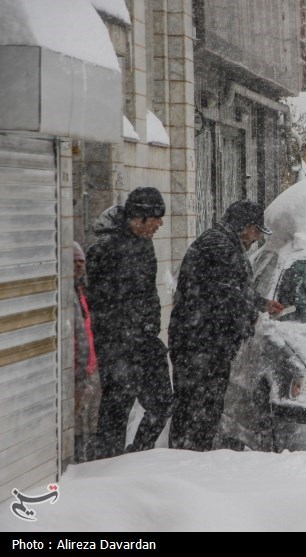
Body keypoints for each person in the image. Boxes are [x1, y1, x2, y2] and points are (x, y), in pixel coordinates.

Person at [168, 200, 284, 451]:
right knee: (199, 407)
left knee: (197, 406)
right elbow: (226, 296)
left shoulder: (220, 242)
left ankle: (188, 455)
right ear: (247, 227)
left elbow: (230, 291)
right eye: (256, 232)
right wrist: (248, 315)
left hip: (202, 341)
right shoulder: (221, 247)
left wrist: (261, 304)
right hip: (202, 343)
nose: (256, 240)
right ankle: (190, 459)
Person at [86, 187, 174, 459]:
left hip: (144, 340)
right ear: (140, 217)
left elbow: (147, 291)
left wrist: (149, 326)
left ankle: (137, 456)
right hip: (117, 345)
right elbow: (99, 302)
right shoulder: (104, 249)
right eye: (157, 217)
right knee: (117, 407)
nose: (160, 223)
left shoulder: (143, 242)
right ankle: (108, 464)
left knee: (162, 402)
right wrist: (122, 336)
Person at [73, 242, 101, 463]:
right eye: (74, 261)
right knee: (77, 422)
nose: (79, 265)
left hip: (89, 366)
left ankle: (88, 463)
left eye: (81, 261)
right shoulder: (69, 295)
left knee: (91, 421)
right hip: (77, 369)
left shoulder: (81, 291)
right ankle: (77, 465)